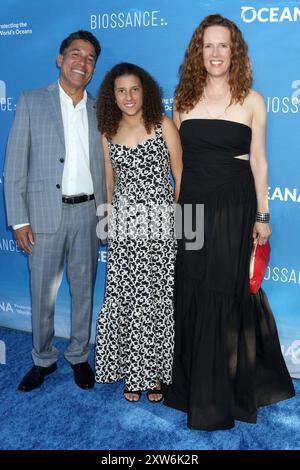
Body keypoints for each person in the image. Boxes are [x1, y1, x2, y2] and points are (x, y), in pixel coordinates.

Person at [163, 14, 295, 430]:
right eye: (208, 46)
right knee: (192, 288)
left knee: (223, 289)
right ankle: (189, 387)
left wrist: (263, 215)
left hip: (235, 207)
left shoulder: (253, 100)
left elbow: (258, 161)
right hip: (192, 206)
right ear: (197, 53)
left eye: (223, 46)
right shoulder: (182, 100)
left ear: (234, 51)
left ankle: (222, 394)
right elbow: (178, 166)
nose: (216, 54)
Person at [4, 30, 106, 392]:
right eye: (76, 54)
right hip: (44, 215)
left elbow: (106, 165)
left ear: (94, 68)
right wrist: (19, 220)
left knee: (84, 291)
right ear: (60, 59)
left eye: (90, 58)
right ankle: (43, 359)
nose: (83, 62)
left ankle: (78, 355)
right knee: (42, 294)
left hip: (88, 214)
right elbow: (15, 166)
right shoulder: (32, 101)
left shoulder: (100, 109)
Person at [94, 63, 182, 402]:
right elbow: (110, 182)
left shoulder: (163, 125)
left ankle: (156, 374)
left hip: (159, 227)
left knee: (155, 300)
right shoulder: (107, 131)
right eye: (121, 90)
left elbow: (180, 175)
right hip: (124, 230)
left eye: (134, 89)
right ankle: (133, 370)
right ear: (112, 96)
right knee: (126, 299)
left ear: (145, 90)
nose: (128, 96)